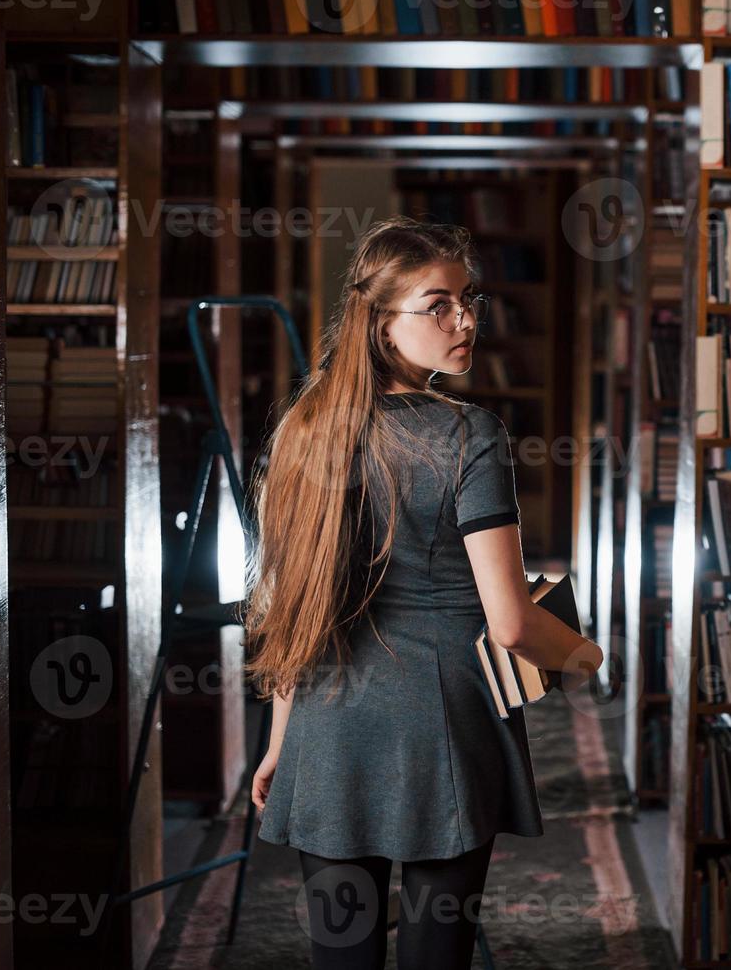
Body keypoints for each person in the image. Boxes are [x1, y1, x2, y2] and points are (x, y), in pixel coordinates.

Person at [244, 217, 601, 970]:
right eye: (437, 304)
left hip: (325, 727)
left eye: (468, 299)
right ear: (380, 324)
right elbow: (510, 624)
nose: (465, 319)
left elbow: (290, 608)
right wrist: (582, 655)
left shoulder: (300, 430)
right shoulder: (471, 436)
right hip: (444, 728)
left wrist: (282, 741)